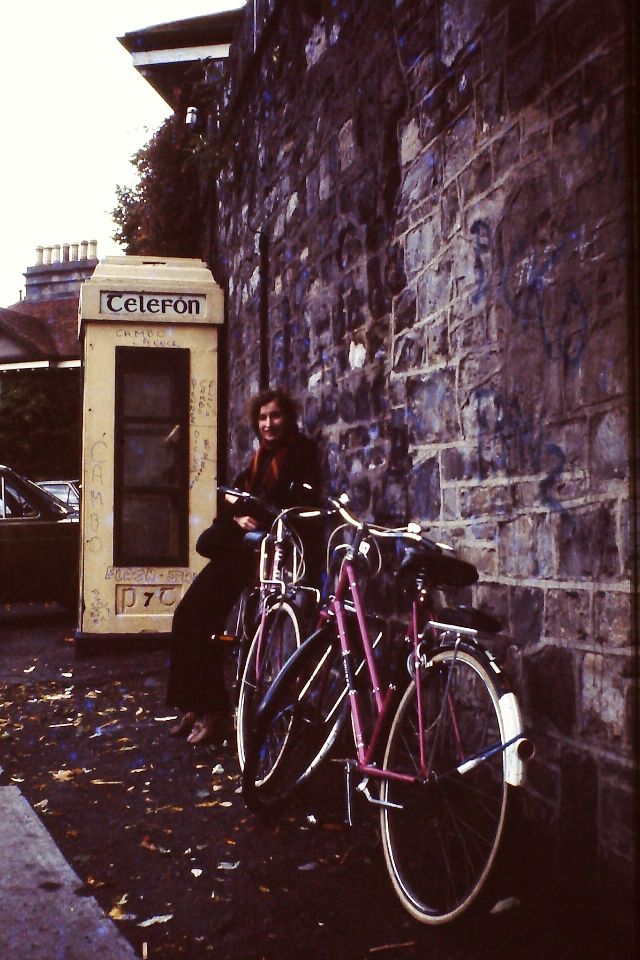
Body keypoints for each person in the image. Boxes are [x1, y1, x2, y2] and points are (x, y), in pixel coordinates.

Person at [166, 387, 321, 745]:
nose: (268, 424)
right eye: (262, 418)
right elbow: (236, 500)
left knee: (201, 618)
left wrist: (254, 513)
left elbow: (297, 505)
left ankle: (213, 710)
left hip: (264, 553)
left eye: (275, 416)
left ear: (288, 417)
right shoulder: (260, 458)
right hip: (241, 547)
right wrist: (237, 517)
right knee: (186, 614)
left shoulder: (299, 452)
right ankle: (191, 703)